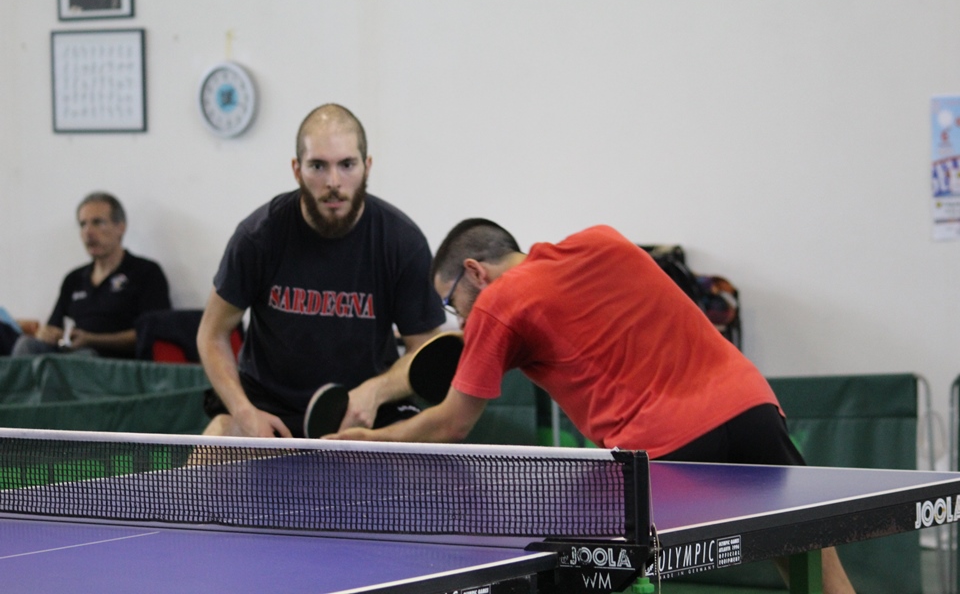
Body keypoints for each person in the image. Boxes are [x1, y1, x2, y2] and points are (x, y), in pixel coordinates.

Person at [329, 219, 857, 594]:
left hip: (663, 450)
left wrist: (373, 441)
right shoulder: (601, 240)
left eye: (452, 303)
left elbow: (451, 424)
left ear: (475, 272)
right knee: (812, 567)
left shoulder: (495, 304)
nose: (460, 319)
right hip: (752, 407)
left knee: (551, 563)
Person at [197, 103, 445, 439]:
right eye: (318, 166)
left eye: (347, 165)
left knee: (416, 472)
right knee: (210, 451)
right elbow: (211, 334)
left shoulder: (402, 242)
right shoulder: (258, 237)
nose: (333, 182)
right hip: (270, 410)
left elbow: (425, 349)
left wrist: (375, 392)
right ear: (297, 170)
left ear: (367, 167)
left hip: (365, 412)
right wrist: (243, 411)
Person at [12, 192, 171, 358]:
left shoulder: (145, 272)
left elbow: (152, 333)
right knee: (26, 345)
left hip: (113, 363)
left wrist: (92, 340)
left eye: (98, 222)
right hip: (71, 355)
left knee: (84, 357)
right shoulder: (74, 279)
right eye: (83, 225)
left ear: (120, 227)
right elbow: (55, 327)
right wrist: (46, 333)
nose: (89, 232)